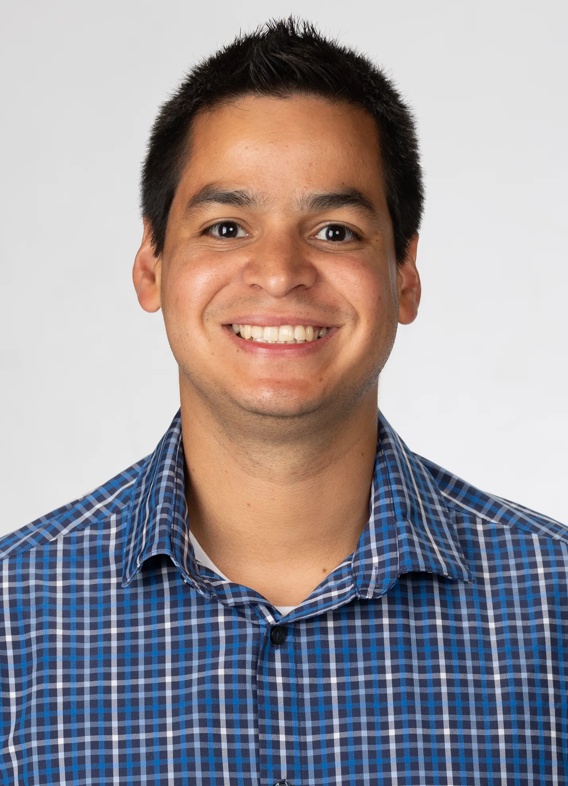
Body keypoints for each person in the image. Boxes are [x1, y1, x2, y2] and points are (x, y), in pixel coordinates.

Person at [1, 18, 566, 785]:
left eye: (335, 230)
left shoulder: (554, 605)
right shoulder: (14, 619)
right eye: (226, 226)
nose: (278, 272)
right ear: (150, 266)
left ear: (404, 275)